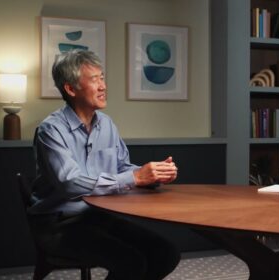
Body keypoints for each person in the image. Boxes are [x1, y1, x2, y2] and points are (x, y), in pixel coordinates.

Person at [28, 49, 180, 280]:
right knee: (131, 262)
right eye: (94, 79)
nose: (103, 86)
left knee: (166, 253)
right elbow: (70, 183)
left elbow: (122, 167)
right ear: (71, 89)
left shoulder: (107, 124)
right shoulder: (51, 130)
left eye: (102, 77)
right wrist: (135, 178)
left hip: (97, 216)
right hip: (58, 225)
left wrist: (152, 174)